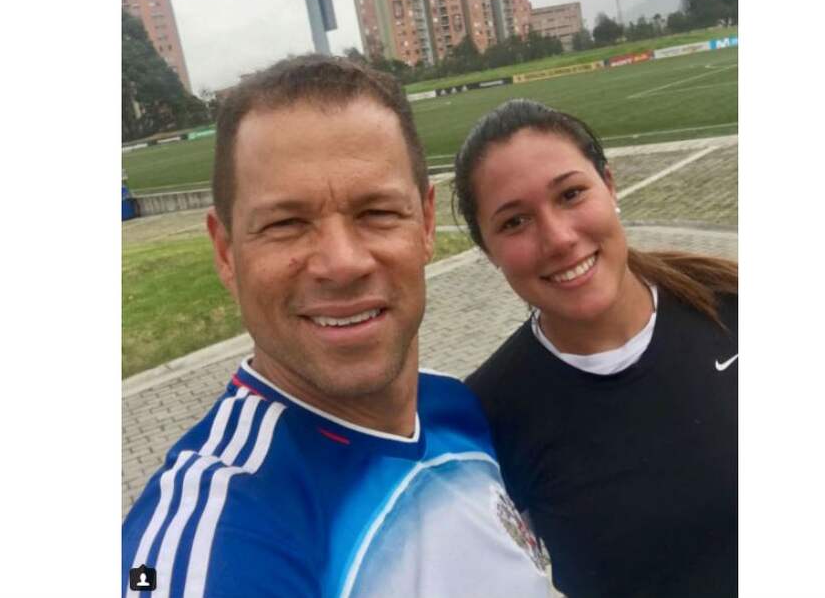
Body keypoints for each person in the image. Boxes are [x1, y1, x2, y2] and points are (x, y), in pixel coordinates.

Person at [121, 58, 557, 598]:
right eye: (286, 223)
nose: (343, 262)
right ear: (225, 251)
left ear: (424, 223)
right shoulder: (219, 543)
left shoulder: (452, 408)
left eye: (376, 212)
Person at [453, 99, 738, 598]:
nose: (559, 238)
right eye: (514, 222)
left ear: (609, 185)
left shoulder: (735, 306)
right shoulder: (487, 416)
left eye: (570, 194)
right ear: (488, 251)